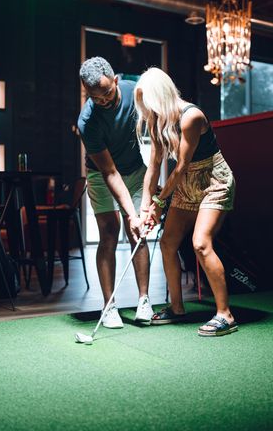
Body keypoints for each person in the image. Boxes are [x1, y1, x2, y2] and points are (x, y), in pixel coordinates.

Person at [134, 67, 238, 337]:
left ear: (161, 96)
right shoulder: (159, 120)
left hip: (213, 180)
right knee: (167, 242)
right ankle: (177, 308)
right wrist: (146, 207)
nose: (148, 111)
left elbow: (179, 167)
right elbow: (154, 166)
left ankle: (225, 314)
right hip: (185, 184)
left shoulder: (191, 117)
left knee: (200, 243)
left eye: (150, 104)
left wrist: (159, 201)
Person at [77, 57, 153, 328]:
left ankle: (144, 300)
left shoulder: (137, 92)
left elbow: (156, 133)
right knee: (109, 232)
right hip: (101, 174)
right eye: (95, 97)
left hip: (134, 169)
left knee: (139, 232)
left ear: (116, 80)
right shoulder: (88, 121)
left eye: (107, 93)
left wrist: (137, 215)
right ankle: (109, 306)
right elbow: (109, 172)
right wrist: (129, 213)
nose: (104, 102)